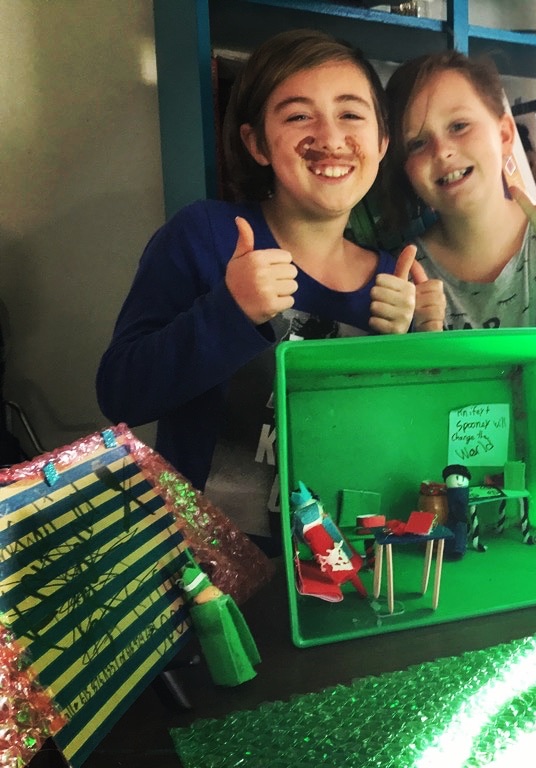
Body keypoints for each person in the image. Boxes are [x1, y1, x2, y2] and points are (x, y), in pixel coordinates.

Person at [97, 29, 433, 557]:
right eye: (298, 115)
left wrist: (416, 347)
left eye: (351, 113)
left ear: (382, 142)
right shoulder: (205, 237)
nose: (330, 136)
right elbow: (121, 396)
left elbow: (403, 457)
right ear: (256, 144)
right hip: (205, 577)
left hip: (348, 571)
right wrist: (229, 313)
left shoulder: (394, 282)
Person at [382, 49, 536, 329]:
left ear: (504, 135)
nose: (442, 152)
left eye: (459, 126)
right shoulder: (404, 273)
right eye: (417, 143)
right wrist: (417, 336)